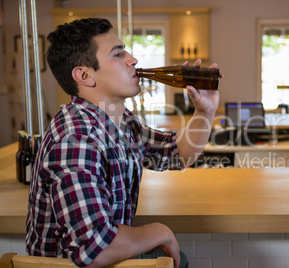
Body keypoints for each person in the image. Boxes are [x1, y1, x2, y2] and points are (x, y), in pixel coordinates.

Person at [25, 18, 220, 268]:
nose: (133, 59)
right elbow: (95, 248)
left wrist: (205, 112)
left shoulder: (120, 121)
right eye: (118, 54)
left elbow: (177, 153)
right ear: (84, 75)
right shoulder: (75, 140)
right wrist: (161, 231)